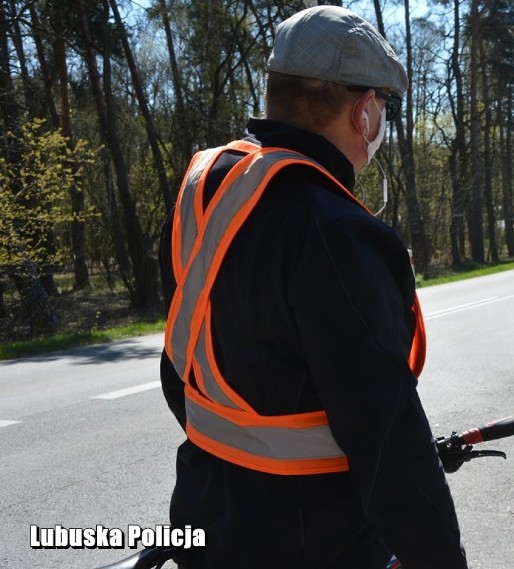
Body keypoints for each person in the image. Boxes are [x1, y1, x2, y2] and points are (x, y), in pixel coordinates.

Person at [158, 6, 467, 569]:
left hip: (205, 516)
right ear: (364, 111)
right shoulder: (338, 231)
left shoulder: (204, 189)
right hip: (313, 543)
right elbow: (386, 442)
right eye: (385, 109)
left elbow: (180, 370)